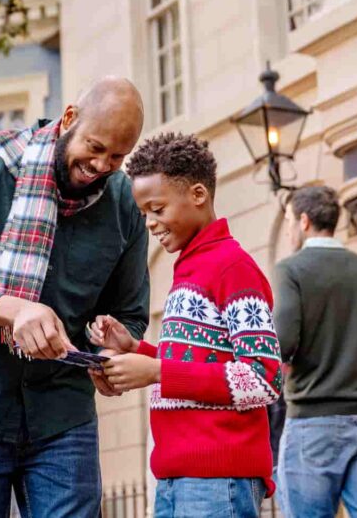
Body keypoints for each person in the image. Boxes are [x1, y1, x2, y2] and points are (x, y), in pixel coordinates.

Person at [0, 77, 150, 518]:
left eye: (117, 157)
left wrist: (114, 341)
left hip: (64, 417)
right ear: (70, 119)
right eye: (94, 147)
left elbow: (131, 314)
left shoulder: (125, 206)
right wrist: (11, 309)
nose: (100, 165)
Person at [89, 132, 281, 518]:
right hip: (176, 479)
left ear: (197, 195)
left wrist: (157, 371)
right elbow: (201, 361)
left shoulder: (232, 267)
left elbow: (263, 378)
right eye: (144, 213)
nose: (150, 223)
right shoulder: (189, 268)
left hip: (218, 481)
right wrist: (134, 349)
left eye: (157, 209)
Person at [272, 186, 357, 518]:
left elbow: (283, 343)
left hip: (313, 424)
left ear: (303, 221)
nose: (289, 229)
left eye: (289, 220)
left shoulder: (290, 270)